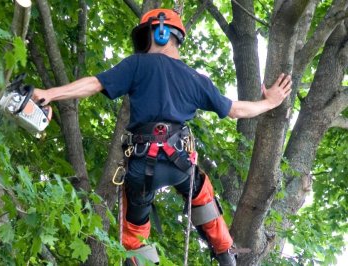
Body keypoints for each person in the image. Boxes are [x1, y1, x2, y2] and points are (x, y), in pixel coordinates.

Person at [32, 8, 292, 266]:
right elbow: (237, 110)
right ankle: (225, 254)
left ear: (160, 32)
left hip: (141, 164)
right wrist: (269, 103)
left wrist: (50, 93)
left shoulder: (137, 64)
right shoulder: (196, 79)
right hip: (180, 164)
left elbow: (94, 84)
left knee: (133, 237)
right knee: (203, 195)